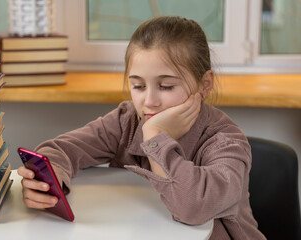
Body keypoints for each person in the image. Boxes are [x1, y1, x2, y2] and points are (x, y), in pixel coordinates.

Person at [17, 16, 266, 239]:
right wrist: (48, 183)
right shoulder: (126, 120)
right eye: (138, 86)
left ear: (205, 84)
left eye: (166, 86)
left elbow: (193, 207)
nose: (149, 102)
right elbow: (59, 149)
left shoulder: (226, 142)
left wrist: (155, 137)